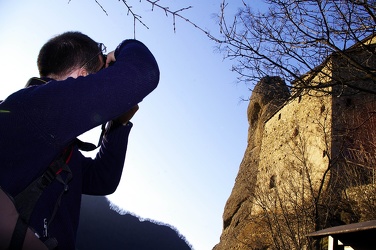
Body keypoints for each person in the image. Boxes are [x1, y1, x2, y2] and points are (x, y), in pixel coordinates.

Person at [0, 31, 159, 249]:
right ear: (84, 76)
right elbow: (143, 73)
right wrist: (123, 48)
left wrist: (117, 124)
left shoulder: (52, 141)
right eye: (102, 72)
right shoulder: (36, 107)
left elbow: (102, 179)